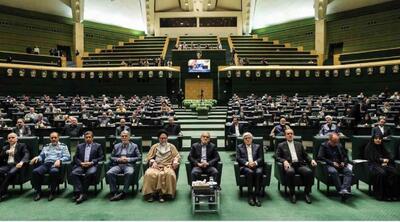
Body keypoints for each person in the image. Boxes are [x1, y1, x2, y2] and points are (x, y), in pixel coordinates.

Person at [276, 129, 317, 204]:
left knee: (309, 172)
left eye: (291, 133)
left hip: (300, 164)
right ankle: (292, 194)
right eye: (288, 134)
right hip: (290, 165)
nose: (290, 135)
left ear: (293, 135)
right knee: (290, 172)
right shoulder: (281, 145)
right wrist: (284, 161)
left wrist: (311, 160)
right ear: (285, 135)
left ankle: (306, 194)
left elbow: (305, 155)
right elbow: (277, 156)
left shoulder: (299, 144)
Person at [30, 132, 71, 201]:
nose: (53, 139)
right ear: (50, 138)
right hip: (46, 164)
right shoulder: (46, 146)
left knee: (54, 172)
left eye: (55, 137)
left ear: (58, 138)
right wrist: (37, 158)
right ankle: (38, 192)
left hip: (55, 164)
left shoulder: (63, 146)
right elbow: (42, 156)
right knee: (35, 172)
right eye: (52, 138)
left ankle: (52, 192)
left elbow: (67, 156)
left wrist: (60, 160)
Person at [143, 130, 180, 202]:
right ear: (158, 138)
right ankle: (151, 194)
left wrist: (175, 161)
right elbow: (148, 157)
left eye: (165, 138)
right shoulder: (154, 146)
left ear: (167, 138)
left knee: (169, 174)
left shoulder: (171, 146)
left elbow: (177, 156)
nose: (163, 140)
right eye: (161, 138)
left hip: (168, 166)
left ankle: (163, 194)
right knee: (149, 174)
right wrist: (152, 161)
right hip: (156, 166)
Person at [70, 131, 104, 204]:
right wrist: (81, 163)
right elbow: (75, 157)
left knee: (90, 173)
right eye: (86, 137)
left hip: (92, 165)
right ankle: (80, 193)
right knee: (74, 173)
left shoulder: (98, 146)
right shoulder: (80, 146)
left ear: (92, 138)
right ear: (84, 138)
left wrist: (91, 162)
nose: (88, 139)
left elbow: (101, 157)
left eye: (89, 137)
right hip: (82, 165)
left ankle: (81, 193)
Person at [106, 131, 141, 201]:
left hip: (128, 165)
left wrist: (128, 159)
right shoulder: (116, 146)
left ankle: (124, 192)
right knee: (109, 173)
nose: (124, 137)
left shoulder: (134, 146)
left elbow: (139, 157)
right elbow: (111, 157)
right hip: (118, 165)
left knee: (129, 173)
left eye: (126, 136)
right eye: (122, 136)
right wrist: (118, 159)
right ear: (120, 137)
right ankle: (114, 192)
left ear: (129, 137)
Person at [317, 133, 353, 201]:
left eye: (337, 141)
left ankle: (344, 190)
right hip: (329, 165)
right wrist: (332, 163)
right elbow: (320, 157)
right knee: (334, 172)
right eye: (334, 142)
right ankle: (341, 191)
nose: (336, 143)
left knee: (349, 172)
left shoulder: (339, 145)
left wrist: (343, 162)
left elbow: (345, 156)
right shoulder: (324, 145)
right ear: (329, 140)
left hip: (340, 165)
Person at [364, 135, 400, 201]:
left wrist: (387, 160)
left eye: (380, 139)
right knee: (382, 173)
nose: (378, 140)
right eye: (376, 138)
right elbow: (372, 158)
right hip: (373, 165)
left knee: (395, 173)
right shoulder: (369, 147)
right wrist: (382, 161)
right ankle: (381, 195)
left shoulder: (382, 146)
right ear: (373, 139)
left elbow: (389, 155)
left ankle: (393, 195)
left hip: (384, 164)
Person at [236, 132, 264, 207]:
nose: (248, 139)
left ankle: (257, 196)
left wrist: (254, 163)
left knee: (258, 173)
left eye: (249, 138)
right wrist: (247, 163)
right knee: (250, 172)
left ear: (252, 139)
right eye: (246, 138)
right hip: (245, 167)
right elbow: (238, 158)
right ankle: (250, 196)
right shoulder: (239, 147)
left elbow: (261, 158)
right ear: (243, 140)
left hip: (257, 166)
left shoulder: (257, 146)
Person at [0, 133, 29, 200]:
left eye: (12, 137)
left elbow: (26, 154)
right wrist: (5, 152)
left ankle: (1, 192)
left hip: (17, 165)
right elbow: (1, 157)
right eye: (9, 138)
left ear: (17, 139)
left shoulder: (22, 145)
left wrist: (21, 162)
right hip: (7, 165)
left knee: (10, 173)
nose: (11, 139)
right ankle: (4, 192)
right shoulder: (5, 147)